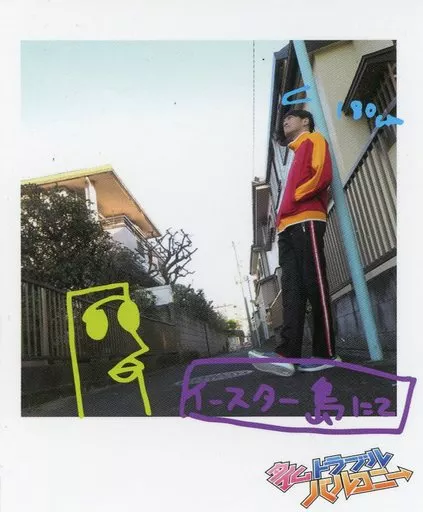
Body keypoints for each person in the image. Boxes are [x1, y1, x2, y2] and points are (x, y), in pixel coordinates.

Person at [249, 109, 341, 377]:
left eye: (291, 117)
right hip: (287, 227)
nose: (285, 121)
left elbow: (322, 174)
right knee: (291, 290)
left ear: (305, 121)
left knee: (315, 284)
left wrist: (296, 197)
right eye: (284, 119)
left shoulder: (314, 139)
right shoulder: (295, 153)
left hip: (307, 219)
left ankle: (327, 354)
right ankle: (287, 354)